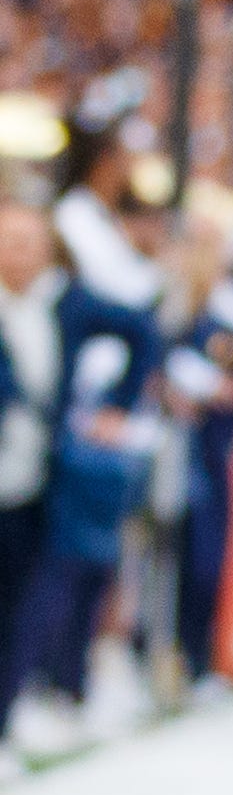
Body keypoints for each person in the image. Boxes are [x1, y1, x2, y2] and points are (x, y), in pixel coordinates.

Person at [0, 201, 157, 757]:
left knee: (27, 594)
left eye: (28, 240)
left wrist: (118, 406)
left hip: (37, 479)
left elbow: (142, 329)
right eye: (8, 239)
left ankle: (13, 708)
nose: (18, 252)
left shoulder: (66, 302)